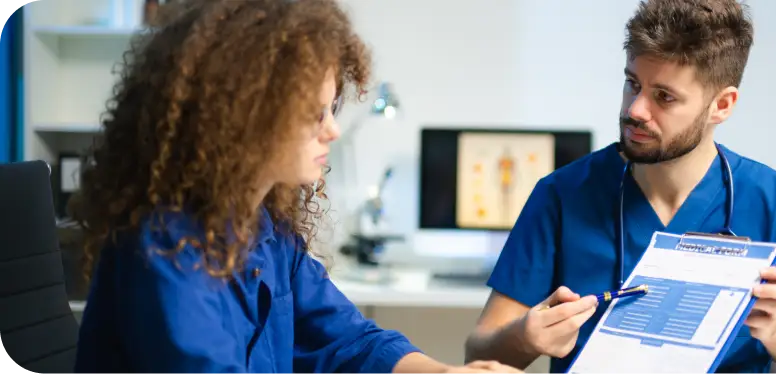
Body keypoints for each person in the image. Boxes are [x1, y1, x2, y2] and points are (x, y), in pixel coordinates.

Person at [69, 1, 521, 373]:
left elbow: (348, 340)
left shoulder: (266, 232)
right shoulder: (164, 247)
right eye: (314, 115)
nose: (333, 132)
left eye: (332, 110)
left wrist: (448, 373)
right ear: (243, 117)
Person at [463, 0, 776, 373]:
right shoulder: (562, 195)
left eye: (663, 97)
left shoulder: (774, 200)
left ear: (723, 105)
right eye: (633, 84)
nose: (635, 110)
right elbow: (478, 352)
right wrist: (524, 337)